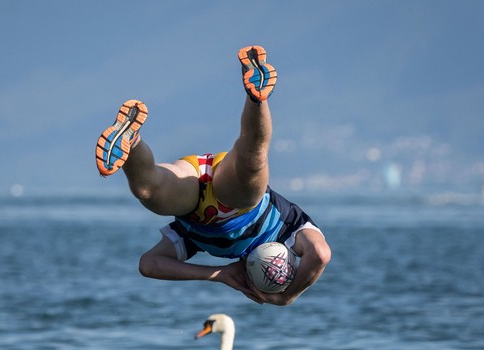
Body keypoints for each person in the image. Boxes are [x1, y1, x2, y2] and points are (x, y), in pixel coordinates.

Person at [94, 46, 331, 306]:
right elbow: (319, 254)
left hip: (192, 194)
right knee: (253, 159)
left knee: (147, 190)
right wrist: (287, 297)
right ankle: (256, 97)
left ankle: (131, 140)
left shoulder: (192, 240)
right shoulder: (288, 229)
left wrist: (219, 275)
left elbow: (148, 264)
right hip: (239, 198)